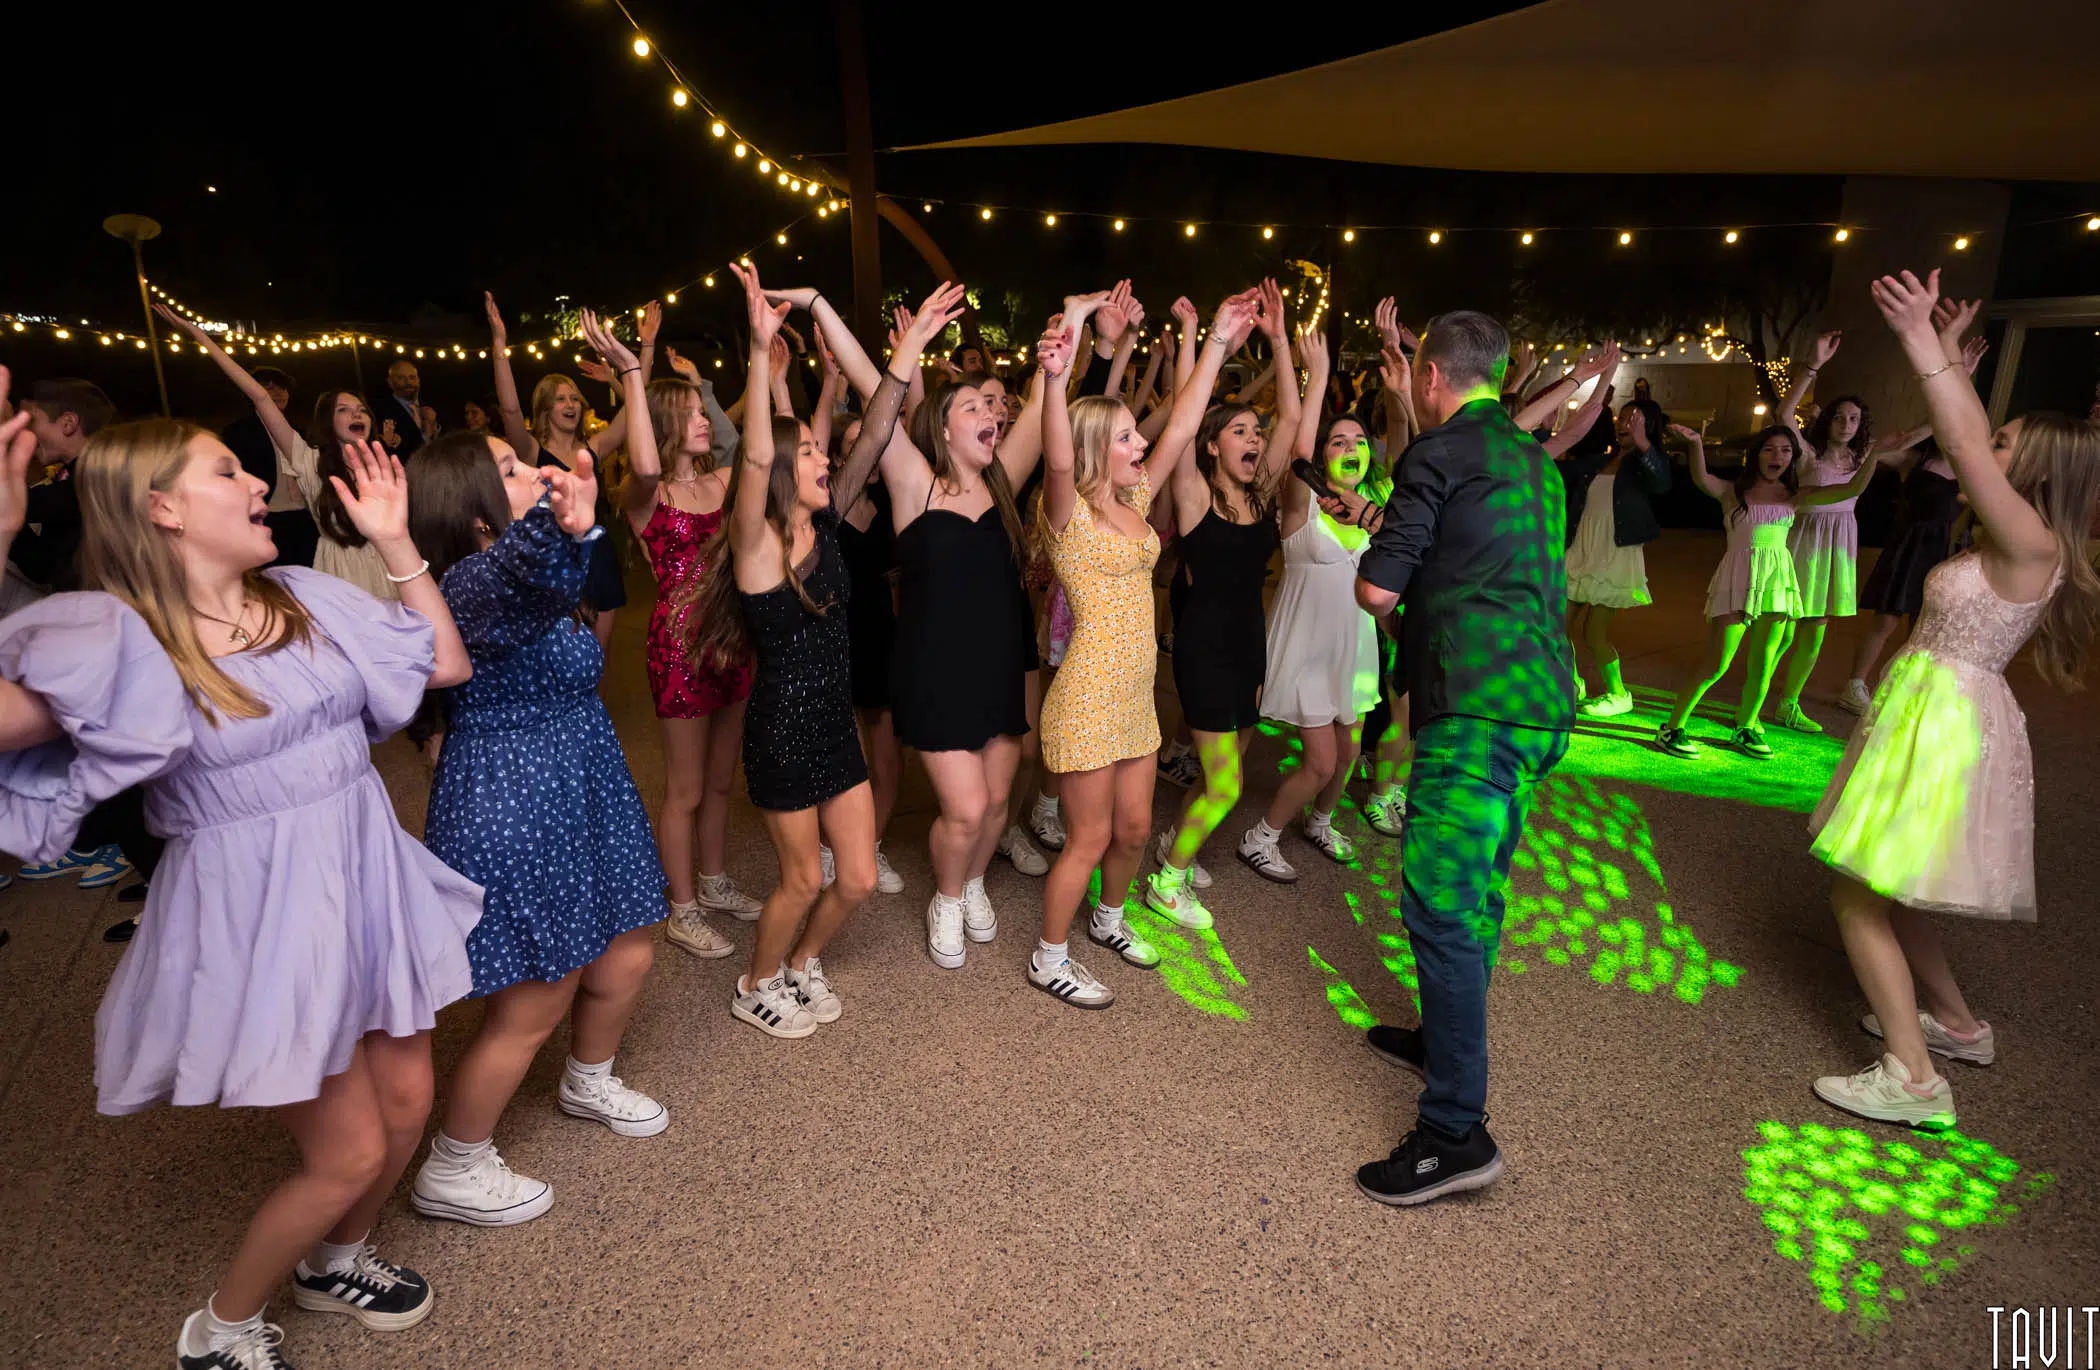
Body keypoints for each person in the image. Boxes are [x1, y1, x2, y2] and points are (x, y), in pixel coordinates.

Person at [0, 418, 478, 1369]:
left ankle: (336, 1262)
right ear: (162, 507)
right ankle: (219, 1332)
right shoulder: (120, 639)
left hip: (363, 872)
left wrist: (394, 541)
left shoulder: (300, 595)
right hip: (261, 910)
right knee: (344, 1151)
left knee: (407, 1105)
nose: (260, 481)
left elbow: (446, 667)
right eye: (228, 470)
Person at [1808, 272, 2100, 1128]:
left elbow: (1968, 450)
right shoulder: (2030, 535)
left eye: (2007, 444)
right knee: (1890, 887)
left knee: (1856, 894)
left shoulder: (2029, 539)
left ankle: (1914, 1078)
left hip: (1942, 722)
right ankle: (1958, 1027)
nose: (1982, 445)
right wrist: (1952, 361)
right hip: (1935, 708)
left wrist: (1919, 343)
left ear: (2035, 469)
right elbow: (1972, 443)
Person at [406, 318, 671, 1224]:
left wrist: (573, 525)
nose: (535, 469)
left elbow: (554, 575)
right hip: (516, 798)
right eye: (513, 471)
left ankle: (588, 1082)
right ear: (480, 511)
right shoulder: (473, 585)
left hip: (583, 776)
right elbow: (539, 567)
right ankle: (455, 1161)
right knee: (537, 995)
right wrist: (573, 525)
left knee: (630, 943)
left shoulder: (515, 573)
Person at [1345, 311, 1576, 1206]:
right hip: (1538, 707)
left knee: (1439, 906)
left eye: (1415, 379)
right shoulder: (1534, 462)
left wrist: (1381, 545)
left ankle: (1453, 1132)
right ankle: (1443, 1040)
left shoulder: (1436, 455)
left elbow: (1377, 588)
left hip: (1474, 709)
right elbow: (1480, 564)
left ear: (1432, 376)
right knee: (1478, 890)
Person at [680, 263, 931, 1036]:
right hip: (783, 733)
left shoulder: (825, 530)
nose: (829, 462)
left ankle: (799, 963)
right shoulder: (755, 545)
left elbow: (881, 424)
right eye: (816, 459)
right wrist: (759, 354)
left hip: (834, 730)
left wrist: (910, 347)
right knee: (796, 879)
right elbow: (753, 459)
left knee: (854, 877)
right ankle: (754, 982)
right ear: (788, 472)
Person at [791, 281, 1045, 971]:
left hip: (995, 663)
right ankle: (948, 895)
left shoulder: (1002, 480)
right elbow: (877, 389)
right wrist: (821, 303)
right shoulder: (912, 481)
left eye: (991, 408)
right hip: (933, 669)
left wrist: (1062, 353)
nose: (990, 414)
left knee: (996, 799)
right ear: (942, 426)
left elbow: (1043, 406)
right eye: (973, 407)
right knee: (964, 809)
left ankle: (972, 885)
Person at [1030, 286, 1256, 1008]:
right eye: (1126, 437)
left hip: (1133, 695)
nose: (1140, 446)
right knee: (1089, 839)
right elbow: (1059, 461)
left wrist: (1217, 340)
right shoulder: (1065, 514)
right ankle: (1049, 956)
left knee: (1135, 827)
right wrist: (1057, 375)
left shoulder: (1132, 504)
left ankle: (1111, 919)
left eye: (1137, 435)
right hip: (1088, 696)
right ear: (1097, 449)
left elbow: (1186, 425)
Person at [1145, 280, 1297, 930]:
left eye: (1254, 431)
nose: (1255, 437)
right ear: (1211, 445)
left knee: (1224, 771)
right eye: (1238, 429)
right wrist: (1201, 340)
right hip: (1204, 650)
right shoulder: (1193, 495)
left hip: (1249, 647)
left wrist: (1282, 339)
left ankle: (1169, 846)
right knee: (1226, 782)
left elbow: (1291, 420)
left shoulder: (1260, 496)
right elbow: (1184, 415)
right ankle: (1168, 881)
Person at [623, 363, 767, 951]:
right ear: (662, 422)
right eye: (690, 413)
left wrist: (766, 370)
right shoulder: (646, 494)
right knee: (684, 789)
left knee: (720, 782)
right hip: (679, 648)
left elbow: (759, 453)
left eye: (702, 411)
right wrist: (634, 372)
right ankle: (681, 909)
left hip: (734, 640)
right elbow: (644, 464)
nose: (704, 420)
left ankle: (713, 882)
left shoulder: (727, 481)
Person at [1238, 331, 1380, 887]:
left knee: (1347, 757)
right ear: (1323, 456)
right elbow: (1297, 458)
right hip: (1308, 650)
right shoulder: (1304, 509)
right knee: (1320, 761)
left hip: (1355, 649)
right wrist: (1316, 376)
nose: (1350, 448)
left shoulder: (1375, 508)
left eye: (1359, 442)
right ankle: (1263, 836)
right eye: (1338, 442)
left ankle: (1320, 821)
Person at [1655, 424, 1879, 759]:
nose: (1778, 457)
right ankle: (1672, 727)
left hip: (1777, 580)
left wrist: (1876, 453)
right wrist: (1696, 444)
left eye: (1786, 451)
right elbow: (1701, 477)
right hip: (1738, 577)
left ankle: (1745, 726)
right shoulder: (1732, 492)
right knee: (1717, 662)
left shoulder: (1796, 495)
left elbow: (1852, 488)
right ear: (1755, 454)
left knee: (1764, 663)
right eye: (1769, 449)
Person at [157, 305, 398, 606]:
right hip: (342, 570)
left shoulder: (381, 466)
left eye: (361, 409)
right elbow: (259, 396)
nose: (356, 413)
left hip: (388, 563)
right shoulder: (311, 461)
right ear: (328, 421)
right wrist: (199, 336)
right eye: (343, 410)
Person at [485, 293, 632, 648]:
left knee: (599, 660)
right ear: (545, 409)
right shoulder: (532, 450)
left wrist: (615, 379)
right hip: (554, 561)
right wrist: (500, 344)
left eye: (574, 398)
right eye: (561, 399)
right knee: (564, 657)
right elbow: (508, 409)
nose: (571, 405)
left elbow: (634, 408)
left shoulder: (593, 448)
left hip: (598, 554)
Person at [1766, 331, 1872, 732]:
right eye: (1839, 416)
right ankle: (1756, 697)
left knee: (1817, 627)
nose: (1846, 423)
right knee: (1784, 625)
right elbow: (1783, 412)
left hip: (1839, 543)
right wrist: (1814, 365)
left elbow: (1917, 434)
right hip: (1806, 539)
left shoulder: (1864, 455)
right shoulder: (1807, 453)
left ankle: (1788, 703)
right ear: (1826, 420)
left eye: (1854, 418)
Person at [1563, 390, 1671, 719]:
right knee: (1555, 624)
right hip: (1582, 550)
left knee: (1594, 632)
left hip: (1615, 554)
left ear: (1648, 426)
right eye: (1622, 418)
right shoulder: (1598, 460)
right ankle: (1571, 682)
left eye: (1634, 419)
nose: (1624, 423)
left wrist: (1642, 443)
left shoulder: (1646, 464)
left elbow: (1662, 484)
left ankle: (1619, 693)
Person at [221, 365, 321, 572]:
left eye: (282, 388)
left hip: (304, 518)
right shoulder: (238, 432)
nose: (277, 393)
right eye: (268, 387)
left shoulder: (299, 432)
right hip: (268, 518)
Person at [374, 360, 431, 459]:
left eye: (412, 377)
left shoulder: (431, 406)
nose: (408, 382)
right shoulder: (381, 412)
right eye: (401, 378)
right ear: (390, 382)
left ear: (418, 380)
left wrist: (433, 425)